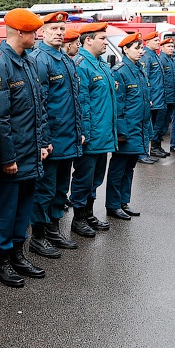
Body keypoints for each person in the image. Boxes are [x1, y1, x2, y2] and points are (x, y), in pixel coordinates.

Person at [0, 8, 50, 287]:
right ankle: (2, 262)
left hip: (30, 152)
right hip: (11, 157)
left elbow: (39, 108)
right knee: (5, 210)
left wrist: (44, 143)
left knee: (23, 209)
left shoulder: (29, 62)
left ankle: (18, 255)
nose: (38, 35)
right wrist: (7, 157)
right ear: (20, 32)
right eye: (33, 31)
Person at [28, 12, 83, 257]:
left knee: (61, 188)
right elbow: (39, 105)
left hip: (68, 138)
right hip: (52, 140)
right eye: (54, 29)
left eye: (62, 28)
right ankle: (38, 236)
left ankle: (53, 229)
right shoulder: (40, 60)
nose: (59, 32)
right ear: (42, 32)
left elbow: (75, 102)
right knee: (45, 190)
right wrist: (43, 140)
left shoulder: (66, 59)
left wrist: (79, 132)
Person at [69, 22, 117, 237]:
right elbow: (82, 104)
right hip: (91, 135)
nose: (106, 43)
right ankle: (78, 217)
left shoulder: (101, 65)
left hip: (104, 133)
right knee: (83, 178)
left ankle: (88, 213)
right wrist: (85, 133)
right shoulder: (82, 65)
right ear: (88, 40)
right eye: (102, 39)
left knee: (96, 178)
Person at [105, 32, 149, 219]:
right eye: (136, 48)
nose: (141, 51)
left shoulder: (139, 69)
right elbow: (118, 105)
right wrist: (121, 132)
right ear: (125, 49)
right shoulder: (120, 71)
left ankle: (124, 201)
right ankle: (113, 205)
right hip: (127, 130)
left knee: (129, 168)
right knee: (118, 169)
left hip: (138, 127)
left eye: (141, 48)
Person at [139, 31, 165, 163]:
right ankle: (143, 153)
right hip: (152, 98)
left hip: (158, 97)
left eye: (158, 40)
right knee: (146, 126)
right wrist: (148, 97)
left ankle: (153, 149)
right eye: (155, 40)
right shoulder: (146, 56)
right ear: (147, 42)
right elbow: (145, 78)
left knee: (156, 125)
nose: (158, 42)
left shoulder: (154, 56)